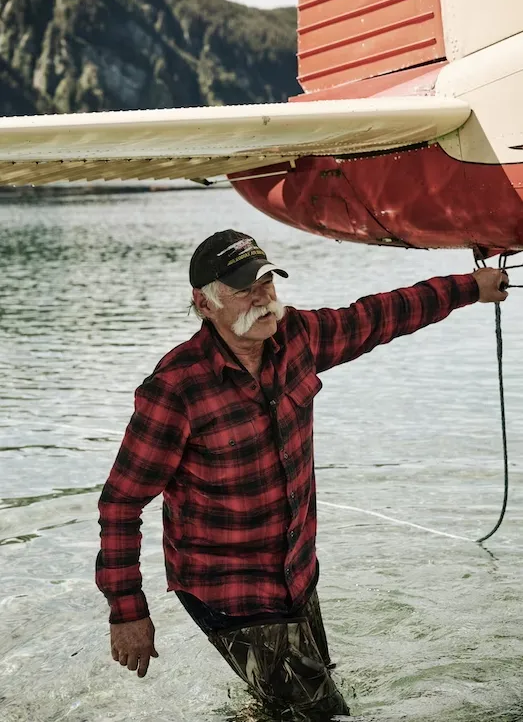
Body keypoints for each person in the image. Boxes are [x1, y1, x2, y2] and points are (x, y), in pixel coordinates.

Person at [96, 230, 508, 720]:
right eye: (244, 289)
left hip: (296, 572)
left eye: (267, 282)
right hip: (227, 588)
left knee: (293, 702)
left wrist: (470, 287)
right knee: (323, 715)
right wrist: (128, 611)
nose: (263, 297)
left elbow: (380, 315)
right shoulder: (175, 389)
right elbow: (120, 503)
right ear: (204, 304)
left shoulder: (297, 337)